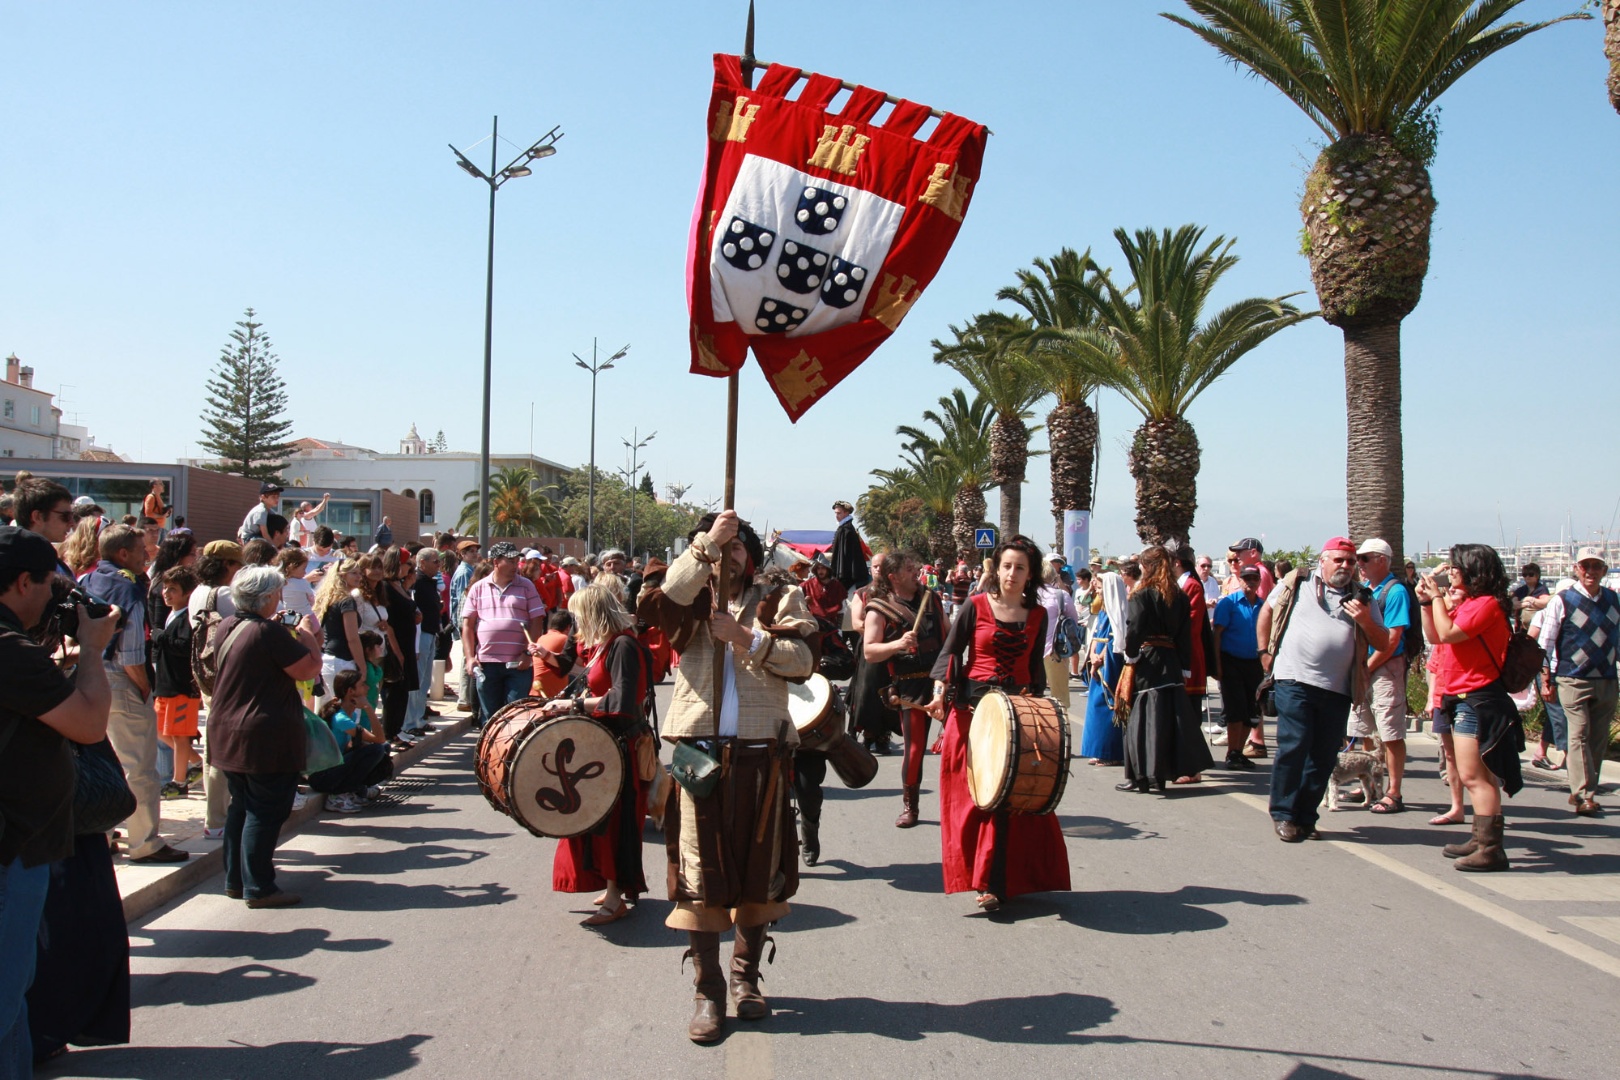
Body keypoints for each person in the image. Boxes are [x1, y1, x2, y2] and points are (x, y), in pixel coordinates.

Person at [646, 510, 812, 1044]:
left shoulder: (778, 598)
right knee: (699, 875)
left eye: (737, 544)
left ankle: (745, 979)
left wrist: (746, 637)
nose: (730, 552)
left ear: (752, 555)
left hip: (763, 755)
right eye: (723, 543)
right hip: (699, 754)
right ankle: (708, 991)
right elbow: (665, 595)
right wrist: (704, 548)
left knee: (758, 871)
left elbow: (803, 660)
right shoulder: (691, 596)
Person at [0, 527, 119, 1076]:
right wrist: (92, 650)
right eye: (50, 583)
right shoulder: (10, 652)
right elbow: (89, 724)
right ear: (23, 583)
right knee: (6, 997)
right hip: (13, 847)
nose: (55, 596)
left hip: (20, 843)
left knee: (15, 1000)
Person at [925, 534, 1069, 913]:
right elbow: (950, 654)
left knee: (1015, 800)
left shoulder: (1038, 615)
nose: (1012, 573)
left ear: (1030, 574)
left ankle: (1000, 881)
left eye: (1020, 567)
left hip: (1018, 715)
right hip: (972, 714)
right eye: (1007, 566)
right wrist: (939, 693)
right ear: (997, 569)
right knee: (975, 800)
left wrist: (1041, 716)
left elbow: (1035, 669)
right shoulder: (974, 606)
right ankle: (982, 877)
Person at [1257, 538, 1390, 843]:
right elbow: (1266, 611)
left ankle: (1306, 817)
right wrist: (1263, 652)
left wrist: (1364, 620)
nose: (1345, 566)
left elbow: (1383, 642)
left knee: (1324, 756)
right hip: (1294, 680)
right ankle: (1284, 813)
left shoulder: (1362, 597)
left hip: (1338, 688)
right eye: (1339, 560)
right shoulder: (1298, 582)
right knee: (1295, 744)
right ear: (1323, 561)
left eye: (1351, 561)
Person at [207, 566, 323, 906]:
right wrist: (308, 637)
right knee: (265, 810)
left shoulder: (228, 625)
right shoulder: (266, 631)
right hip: (262, 734)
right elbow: (308, 669)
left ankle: (236, 880)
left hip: (228, 730)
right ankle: (259, 887)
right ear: (267, 597)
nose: (279, 600)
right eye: (277, 594)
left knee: (241, 806)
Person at [543, 585, 655, 925]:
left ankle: (615, 896)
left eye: (580, 616)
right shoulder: (610, 644)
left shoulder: (623, 645)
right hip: (606, 743)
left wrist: (573, 704)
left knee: (614, 822)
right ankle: (611, 887)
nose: (577, 623)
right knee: (599, 820)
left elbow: (622, 700)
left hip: (620, 745)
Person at [82, 525, 188, 865]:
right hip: (120, 679)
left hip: (87, 679)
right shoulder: (128, 587)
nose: (148, 553)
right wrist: (142, 686)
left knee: (103, 761)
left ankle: (105, 833)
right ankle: (144, 842)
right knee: (139, 767)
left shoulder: (87, 579)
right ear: (123, 553)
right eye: (142, 549)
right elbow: (130, 653)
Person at [1418, 544, 1521, 869]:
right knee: (1479, 775)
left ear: (1472, 570)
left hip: (1478, 698)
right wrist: (1427, 603)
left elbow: (1448, 633)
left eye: (1455, 567)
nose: (1450, 572)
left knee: (1474, 776)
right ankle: (1481, 838)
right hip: (1465, 697)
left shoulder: (1486, 604)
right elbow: (1436, 636)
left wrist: (1437, 598)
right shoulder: (1473, 603)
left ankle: (1490, 849)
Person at [1118, 546, 1214, 794]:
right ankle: (1158, 774)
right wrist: (1184, 665)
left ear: (1147, 566)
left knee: (1142, 718)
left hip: (1148, 661)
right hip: (1171, 661)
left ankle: (1141, 776)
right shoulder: (1178, 595)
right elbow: (1184, 635)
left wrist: (1131, 654)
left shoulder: (1142, 593)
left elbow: (1135, 628)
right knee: (1166, 720)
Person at [864, 551, 945, 830]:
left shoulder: (931, 599)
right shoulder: (879, 608)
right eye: (909, 569)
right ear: (893, 577)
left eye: (915, 567)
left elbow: (947, 635)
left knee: (963, 743)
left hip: (942, 680)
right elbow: (870, 652)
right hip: (910, 686)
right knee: (914, 748)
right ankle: (911, 806)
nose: (916, 573)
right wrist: (898, 644)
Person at [1535, 546, 1615, 817]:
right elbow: (1545, 643)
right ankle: (1583, 795)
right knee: (1578, 734)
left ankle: (1585, 789)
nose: (1590, 571)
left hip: (1606, 678)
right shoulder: (1563, 600)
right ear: (1576, 569)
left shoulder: (1613, 600)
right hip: (1572, 678)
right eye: (1585, 566)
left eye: (1596, 566)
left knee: (1598, 739)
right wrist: (1546, 678)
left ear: (1604, 570)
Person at [1350, 538, 1413, 813]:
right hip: (1366, 666)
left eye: (1365, 558)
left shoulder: (1395, 591)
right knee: (1364, 728)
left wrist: (1368, 668)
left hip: (1386, 669)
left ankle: (1394, 792)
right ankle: (1369, 786)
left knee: (1390, 732)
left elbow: (1393, 639)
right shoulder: (1367, 590)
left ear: (1382, 560)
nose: (1359, 564)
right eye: (1358, 559)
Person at [461, 542, 547, 723]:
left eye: (516, 561)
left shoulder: (526, 586)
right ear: (496, 562)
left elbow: (537, 620)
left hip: (518, 664)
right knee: (490, 717)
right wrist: (469, 658)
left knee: (515, 715)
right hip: (486, 663)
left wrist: (527, 654)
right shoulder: (478, 587)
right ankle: (490, 743)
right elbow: (467, 625)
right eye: (510, 561)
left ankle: (511, 743)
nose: (516, 565)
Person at [151, 566, 204, 800]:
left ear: (187, 593)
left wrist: (161, 637)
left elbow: (185, 646)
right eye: (165, 588)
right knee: (159, 730)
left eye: (173, 589)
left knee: (180, 735)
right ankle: (196, 762)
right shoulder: (171, 614)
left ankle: (179, 782)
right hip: (165, 684)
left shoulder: (188, 618)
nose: (166, 593)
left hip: (182, 687)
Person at [308, 669, 392, 814]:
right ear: (350, 691)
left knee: (384, 747)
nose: (367, 688)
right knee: (377, 749)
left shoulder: (349, 714)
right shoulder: (341, 719)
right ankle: (337, 796)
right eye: (362, 685)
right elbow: (379, 738)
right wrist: (368, 708)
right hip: (322, 777)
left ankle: (356, 790)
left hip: (333, 769)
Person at [1211, 564, 1266, 771]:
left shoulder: (1262, 605)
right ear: (1240, 580)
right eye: (1246, 578)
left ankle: (1239, 752)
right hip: (1231, 661)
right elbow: (1217, 634)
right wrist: (1216, 665)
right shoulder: (1229, 603)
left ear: (1259, 581)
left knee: (1251, 711)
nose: (1250, 582)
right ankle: (1232, 753)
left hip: (1254, 663)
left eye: (1254, 578)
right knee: (1235, 709)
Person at [1080, 571, 1127, 765]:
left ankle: (1110, 752)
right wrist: (1092, 654)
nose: (1097, 591)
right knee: (1095, 706)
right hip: (1097, 662)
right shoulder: (1102, 612)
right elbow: (1095, 636)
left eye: (1099, 588)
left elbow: (1117, 639)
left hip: (1110, 664)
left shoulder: (1119, 611)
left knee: (1108, 704)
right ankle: (1097, 749)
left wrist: (1100, 658)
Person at [312, 557, 365, 702]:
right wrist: (362, 667)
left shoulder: (329, 598)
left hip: (327, 658)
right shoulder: (346, 601)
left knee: (327, 707)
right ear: (342, 575)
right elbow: (352, 638)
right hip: (342, 660)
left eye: (360, 573)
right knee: (348, 708)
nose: (359, 577)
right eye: (354, 573)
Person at [404, 547, 443, 738]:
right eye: (435, 562)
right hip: (421, 634)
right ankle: (410, 721)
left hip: (431, 632)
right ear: (422, 563)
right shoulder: (417, 582)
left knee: (425, 680)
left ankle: (419, 718)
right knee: (417, 680)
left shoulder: (429, 582)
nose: (439, 565)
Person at [1037, 555, 1082, 713]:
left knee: (1032, 696)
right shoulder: (1061, 595)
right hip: (1056, 650)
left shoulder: (1026, 595)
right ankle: (1061, 724)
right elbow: (1073, 620)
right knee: (1060, 697)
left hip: (1031, 650)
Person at [448, 538, 481, 712]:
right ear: (462, 554)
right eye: (471, 552)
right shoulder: (463, 573)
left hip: (468, 622)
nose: (475, 554)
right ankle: (464, 698)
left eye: (476, 551)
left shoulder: (470, 570)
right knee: (467, 658)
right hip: (465, 622)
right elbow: (463, 601)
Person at [828, 500, 871, 590]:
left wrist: (840, 574)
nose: (836, 516)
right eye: (835, 513)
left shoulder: (846, 530)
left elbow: (845, 556)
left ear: (846, 513)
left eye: (839, 513)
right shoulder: (844, 528)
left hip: (847, 576)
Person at [237, 481, 283, 545]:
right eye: (273, 497)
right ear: (263, 497)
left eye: (277, 496)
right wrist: (273, 547)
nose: (277, 499)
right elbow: (265, 534)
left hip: (258, 535)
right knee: (263, 544)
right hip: (249, 538)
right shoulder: (261, 511)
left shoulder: (270, 512)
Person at [1511, 562, 1550, 632]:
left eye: (1531, 574)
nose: (1527, 577)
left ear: (1537, 576)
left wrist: (1529, 599)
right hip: (1520, 627)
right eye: (1525, 575)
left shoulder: (1542, 589)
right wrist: (1526, 603)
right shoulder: (1520, 590)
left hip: (1536, 627)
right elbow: (1514, 603)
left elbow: (1545, 602)